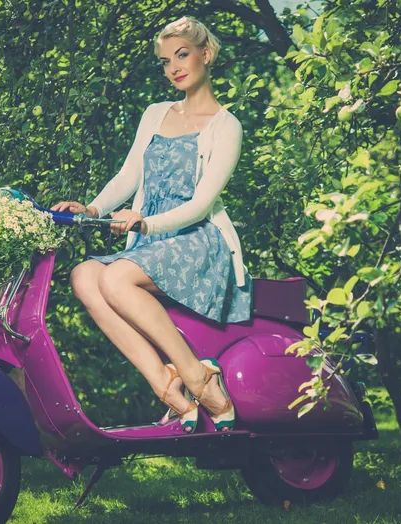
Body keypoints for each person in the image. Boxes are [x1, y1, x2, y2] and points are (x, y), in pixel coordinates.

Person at [51, 15, 252, 433]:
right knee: (84, 276)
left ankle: (197, 377)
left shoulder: (226, 127)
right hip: (151, 240)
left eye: (182, 55)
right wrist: (91, 209)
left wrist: (144, 225)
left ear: (205, 54)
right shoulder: (156, 113)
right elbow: (129, 176)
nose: (174, 67)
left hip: (198, 241)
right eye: (165, 61)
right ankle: (166, 385)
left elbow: (200, 206)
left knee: (116, 279)